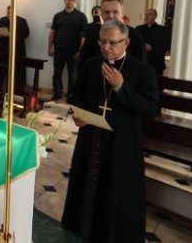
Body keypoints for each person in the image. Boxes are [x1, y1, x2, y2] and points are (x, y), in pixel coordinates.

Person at [62, 20, 159, 242]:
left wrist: (121, 87)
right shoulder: (90, 65)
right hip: (91, 139)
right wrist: (79, 112)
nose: (107, 48)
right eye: (103, 42)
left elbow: (150, 109)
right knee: (86, 188)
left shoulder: (143, 71)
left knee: (115, 191)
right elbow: (75, 94)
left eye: (113, 43)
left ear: (126, 42)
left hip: (122, 143)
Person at [80, 0, 146, 66]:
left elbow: (141, 64)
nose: (111, 15)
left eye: (115, 12)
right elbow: (83, 61)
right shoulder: (93, 34)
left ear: (122, 14)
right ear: (101, 14)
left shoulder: (135, 35)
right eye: (107, 12)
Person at [48, 0, 87, 101]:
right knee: (57, 73)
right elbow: (52, 33)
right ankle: (57, 94)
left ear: (75, 2)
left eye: (72, 0)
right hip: (59, 49)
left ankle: (71, 96)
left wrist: (80, 51)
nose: (70, 1)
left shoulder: (81, 16)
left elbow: (84, 36)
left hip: (73, 51)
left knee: (73, 75)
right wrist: (49, 47)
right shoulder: (58, 16)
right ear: (64, 0)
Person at [0, 5, 30, 93]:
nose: (8, 14)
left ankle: (17, 89)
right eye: (7, 12)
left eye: (10, 13)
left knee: (17, 69)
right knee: (3, 68)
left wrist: (12, 35)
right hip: (4, 49)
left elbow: (26, 34)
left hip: (17, 50)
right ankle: (2, 86)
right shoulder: (2, 20)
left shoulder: (22, 21)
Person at [136, 8, 171, 77]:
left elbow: (167, 47)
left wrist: (152, 48)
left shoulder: (163, 30)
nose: (146, 17)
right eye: (145, 14)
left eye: (149, 14)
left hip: (156, 65)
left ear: (155, 16)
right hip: (141, 64)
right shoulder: (139, 28)